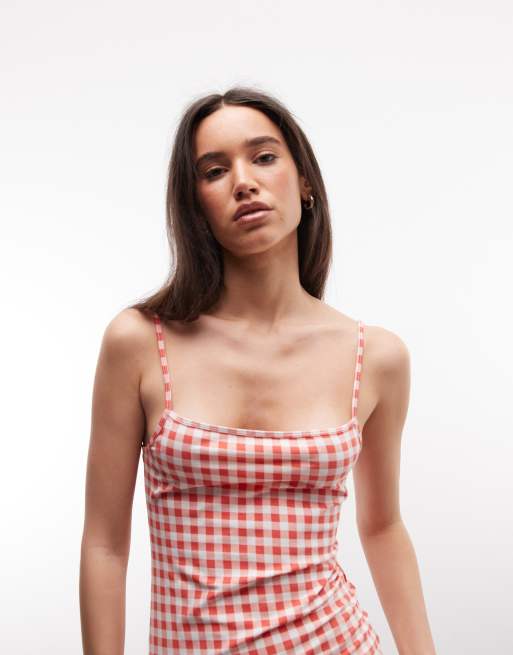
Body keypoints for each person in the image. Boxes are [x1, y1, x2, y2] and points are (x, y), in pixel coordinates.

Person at [80, 87, 437, 654]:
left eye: (264, 157)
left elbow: (382, 527)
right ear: (194, 204)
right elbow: (105, 545)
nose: (243, 182)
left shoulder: (375, 356)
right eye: (214, 171)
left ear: (305, 182)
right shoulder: (140, 342)